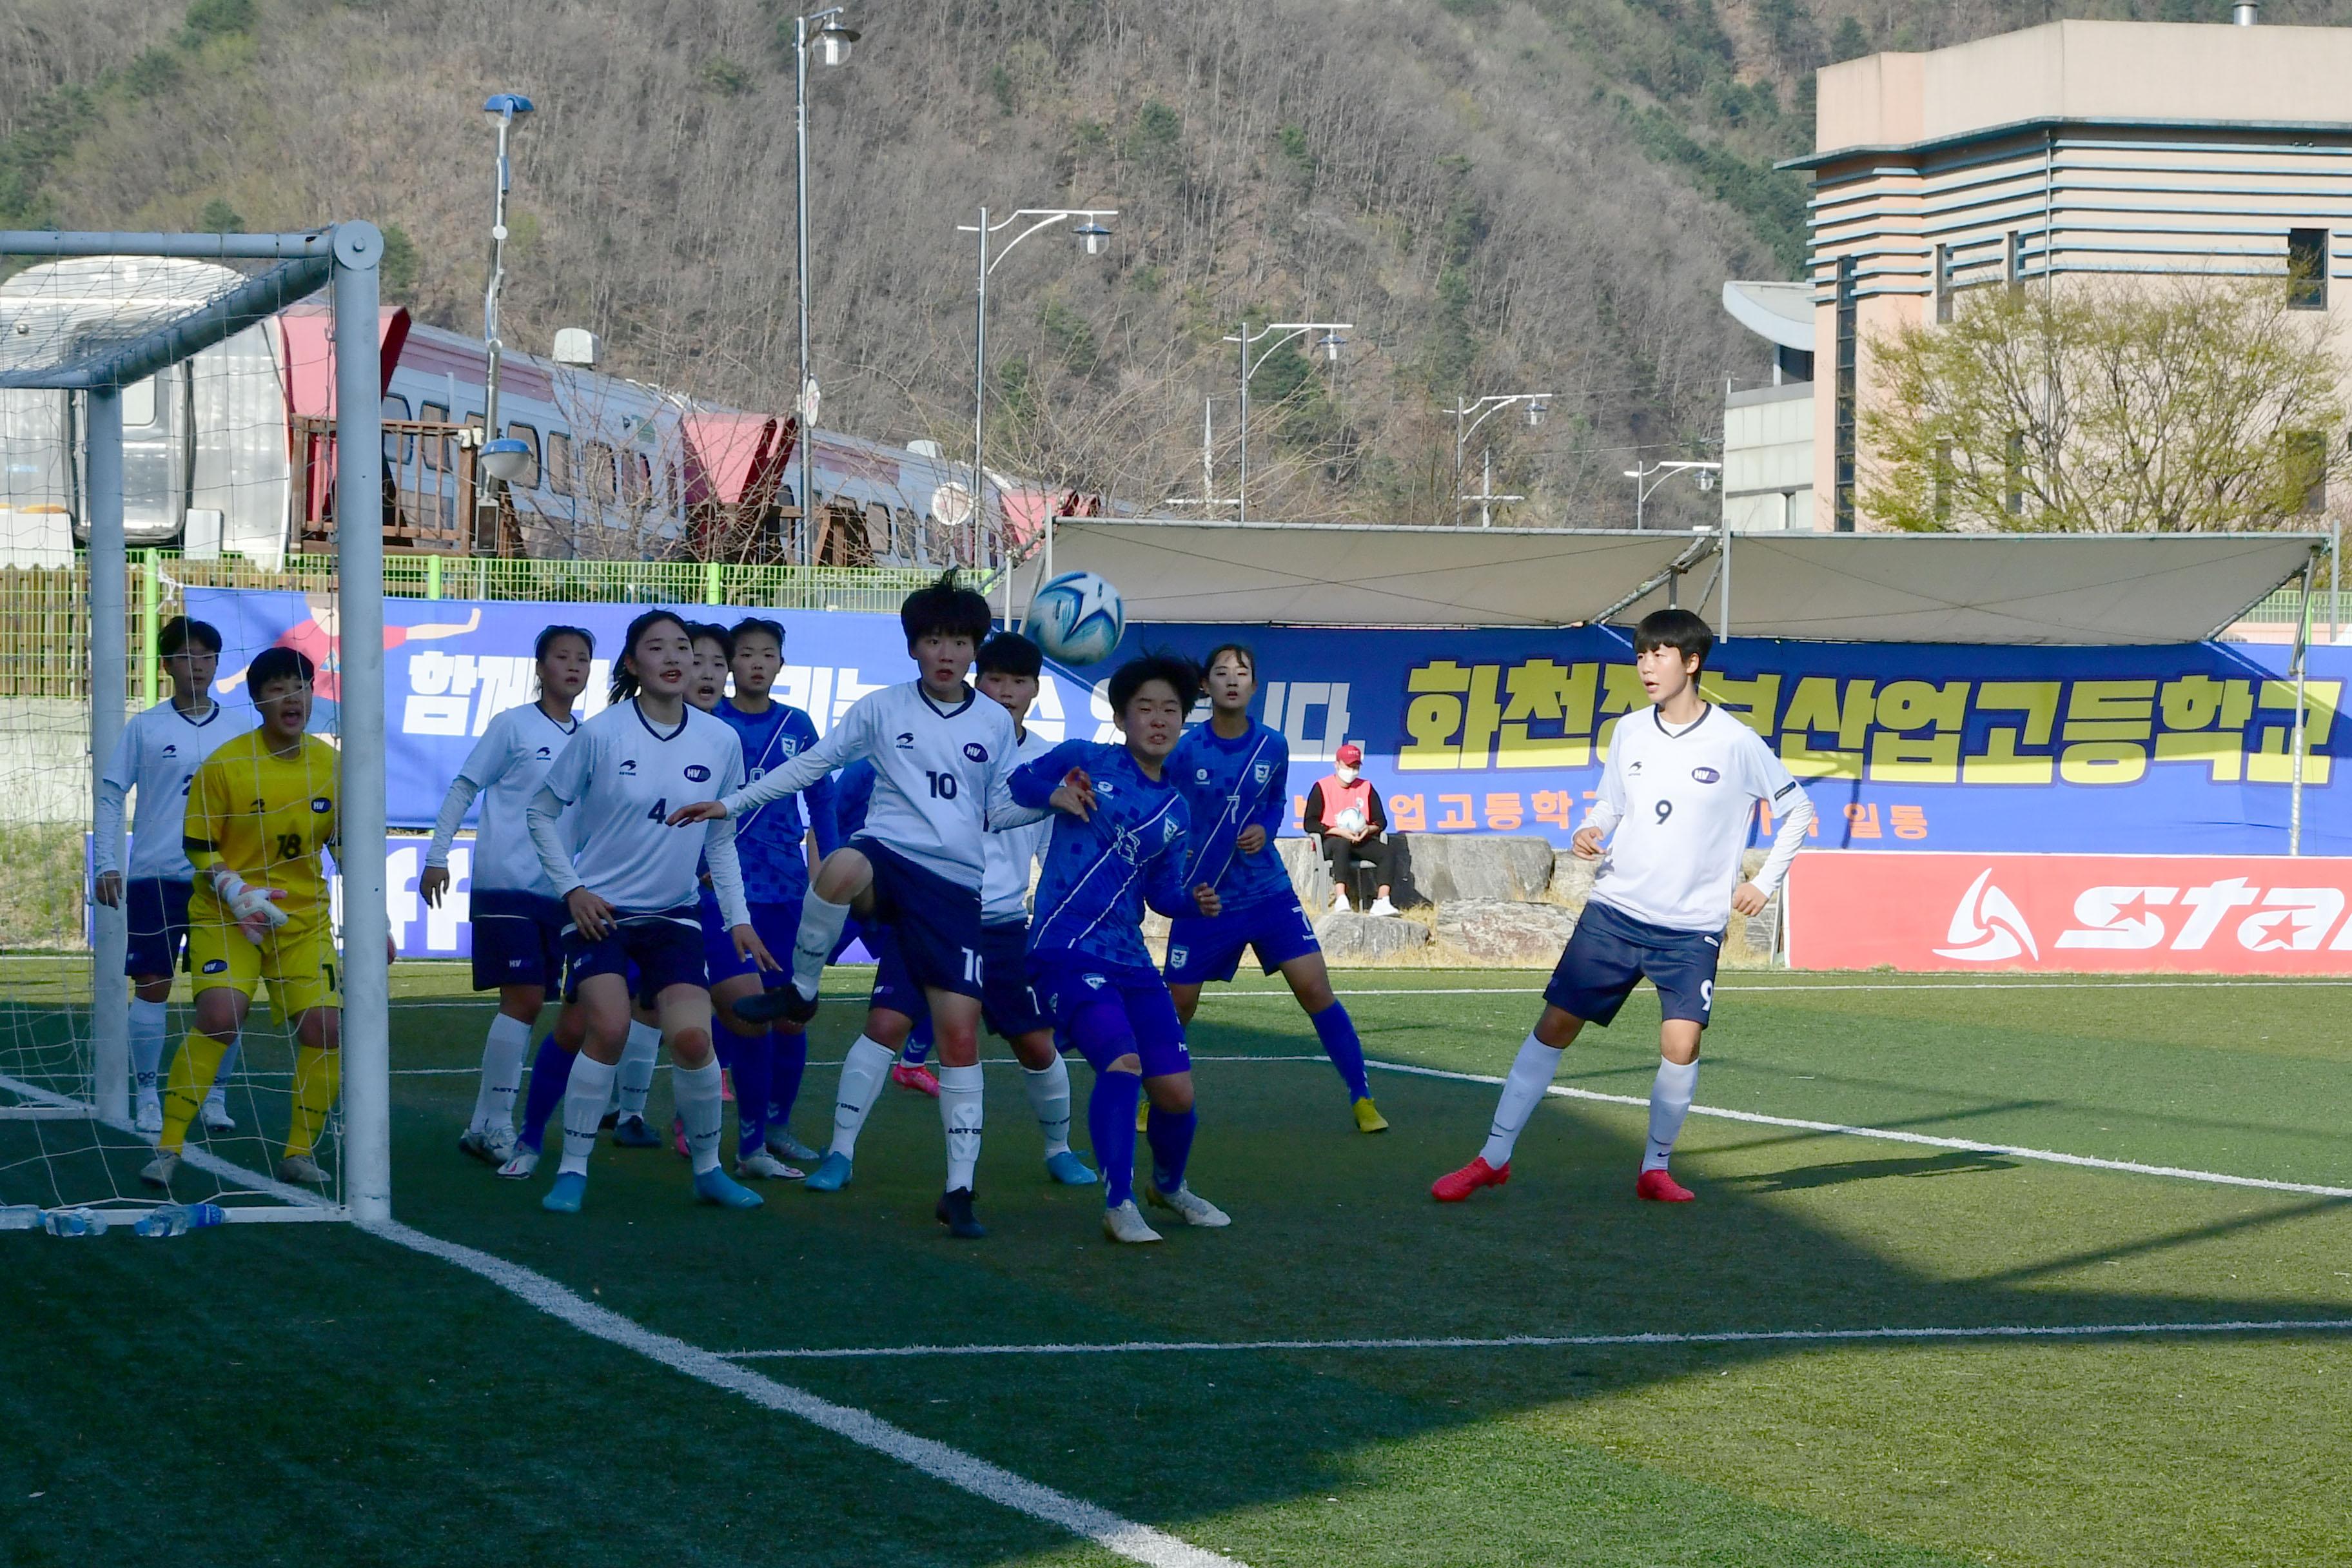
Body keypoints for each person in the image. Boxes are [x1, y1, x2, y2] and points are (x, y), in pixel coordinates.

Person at [670, 571, 1050, 1239]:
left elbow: (994, 807)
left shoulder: (992, 721)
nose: (946, 652)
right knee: (842, 863)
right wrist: (731, 802)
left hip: (953, 888)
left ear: (974, 649)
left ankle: (959, 1188)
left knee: (959, 1037)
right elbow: (812, 765)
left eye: (959, 640)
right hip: (887, 857)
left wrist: (1051, 799)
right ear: (912, 647)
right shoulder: (880, 708)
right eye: (933, 639)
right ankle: (803, 990)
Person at [1432, 609, 1813, 1206]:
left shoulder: (1738, 743)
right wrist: (1590, 827)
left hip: (1690, 929)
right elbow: (1610, 803)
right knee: (1556, 1026)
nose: (1647, 666)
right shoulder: (1630, 732)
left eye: (1660, 654)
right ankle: (1494, 1155)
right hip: (1616, 912)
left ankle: (1655, 1169)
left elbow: (1799, 811)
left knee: (1682, 1045)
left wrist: (1764, 881)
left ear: (1692, 663)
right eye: (1641, 655)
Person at [787, 632, 1099, 1191]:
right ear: (979, 679)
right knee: (883, 1025)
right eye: (996, 680)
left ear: (1034, 689)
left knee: (1034, 1043)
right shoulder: (938, 729)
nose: (1005, 692)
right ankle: (839, 1154)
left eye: (1018, 682)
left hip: (1002, 924)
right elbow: (851, 785)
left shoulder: (1050, 763)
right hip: (927, 910)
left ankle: (1059, 1148)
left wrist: (1051, 932)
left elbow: (1056, 859)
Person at [523, 610, 775, 1214]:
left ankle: (710, 1172)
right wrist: (574, 890)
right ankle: (573, 1170)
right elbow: (540, 813)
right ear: (633, 664)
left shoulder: (720, 741)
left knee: (693, 1038)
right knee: (606, 1027)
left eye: (682, 647)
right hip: (601, 913)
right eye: (655, 648)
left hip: (674, 916)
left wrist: (737, 917)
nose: (673, 657)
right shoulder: (602, 734)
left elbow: (720, 840)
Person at [1008, 651, 1230, 1244]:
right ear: (1122, 716)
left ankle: (1169, 1186)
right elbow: (1018, 781)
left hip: (1130, 959)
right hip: (1065, 947)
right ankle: (1119, 1202)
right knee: (1122, 1064)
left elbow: (1161, 894)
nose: (1159, 720)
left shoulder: (1177, 810)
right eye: (1146, 708)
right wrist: (1053, 794)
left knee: (1176, 1093)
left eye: (1171, 711)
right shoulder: (1085, 757)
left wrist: (1194, 901)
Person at [139, 647, 351, 1190]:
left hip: (301, 922)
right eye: (279, 689)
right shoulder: (226, 764)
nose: (293, 698)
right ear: (258, 699)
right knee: (220, 1016)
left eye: (301, 686)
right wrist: (236, 891)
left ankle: (298, 1154)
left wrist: (379, 919)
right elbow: (198, 846)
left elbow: (349, 849)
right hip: (227, 916)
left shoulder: (333, 766)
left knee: (327, 1029)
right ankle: (168, 1147)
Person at [1164, 644, 1387, 1132]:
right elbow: (1165, 806)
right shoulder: (1184, 750)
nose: (1232, 680)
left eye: (1241, 673)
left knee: (1315, 988)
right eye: (1221, 673)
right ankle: (1154, 1094)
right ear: (1205, 686)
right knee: (1177, 1005)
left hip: (1268, 893)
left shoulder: (1272, 745)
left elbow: (1274, 801)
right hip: (1205, 899)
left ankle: (1361, 1096)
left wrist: (1265, 827)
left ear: (1254, 686)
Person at [420, 625, 594, 1165]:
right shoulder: (513, 726)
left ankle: (482, 1124)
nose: (573, 666)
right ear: (539, 667)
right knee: (520, 1000)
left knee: (539, 1003)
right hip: (506, 883)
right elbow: (465, 786)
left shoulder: (589, 737)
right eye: (562, 657)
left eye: (583, 659)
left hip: (559, 894)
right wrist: (436, 855)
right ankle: (497, 1123)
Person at [94, 615, 254, 1137]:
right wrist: (107, 861)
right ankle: (147, 1096)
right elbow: (113, 793)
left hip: (222, 881)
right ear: (167, 665)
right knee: (152, 985)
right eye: (186, 656)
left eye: (207, 656)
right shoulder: (146, 727)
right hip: (156, 876)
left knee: (225, 995)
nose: (198, 666)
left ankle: (215, 1096)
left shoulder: (239, 729)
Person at [702, 616, 838, 1181]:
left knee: (790, 1015)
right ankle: (718, 1125)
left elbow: (822, 802)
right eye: (747, 653)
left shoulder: (798, 725)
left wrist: (831, 869)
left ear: (781, 664)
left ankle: (776, 1129)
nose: (757, 662)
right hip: (727, 891)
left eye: (768, 654)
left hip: (787, 891)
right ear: (731, 663)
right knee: (738, 1011)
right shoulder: (710, 722)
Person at [1302, 743, 1396, 916]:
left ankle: (1382, 901)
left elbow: (1381, 821)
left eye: (1356, 767)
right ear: (1337, 765)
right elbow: (1310, 823)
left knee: (1387, 852)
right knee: (1341, 844)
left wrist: (1368, 829)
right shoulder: (1322, 787)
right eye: (1348, 766)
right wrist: (1337, 831)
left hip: (1360, 839)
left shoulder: (1366, 787)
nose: (1352, 771)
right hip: (1332, 840)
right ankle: (1341, 898)